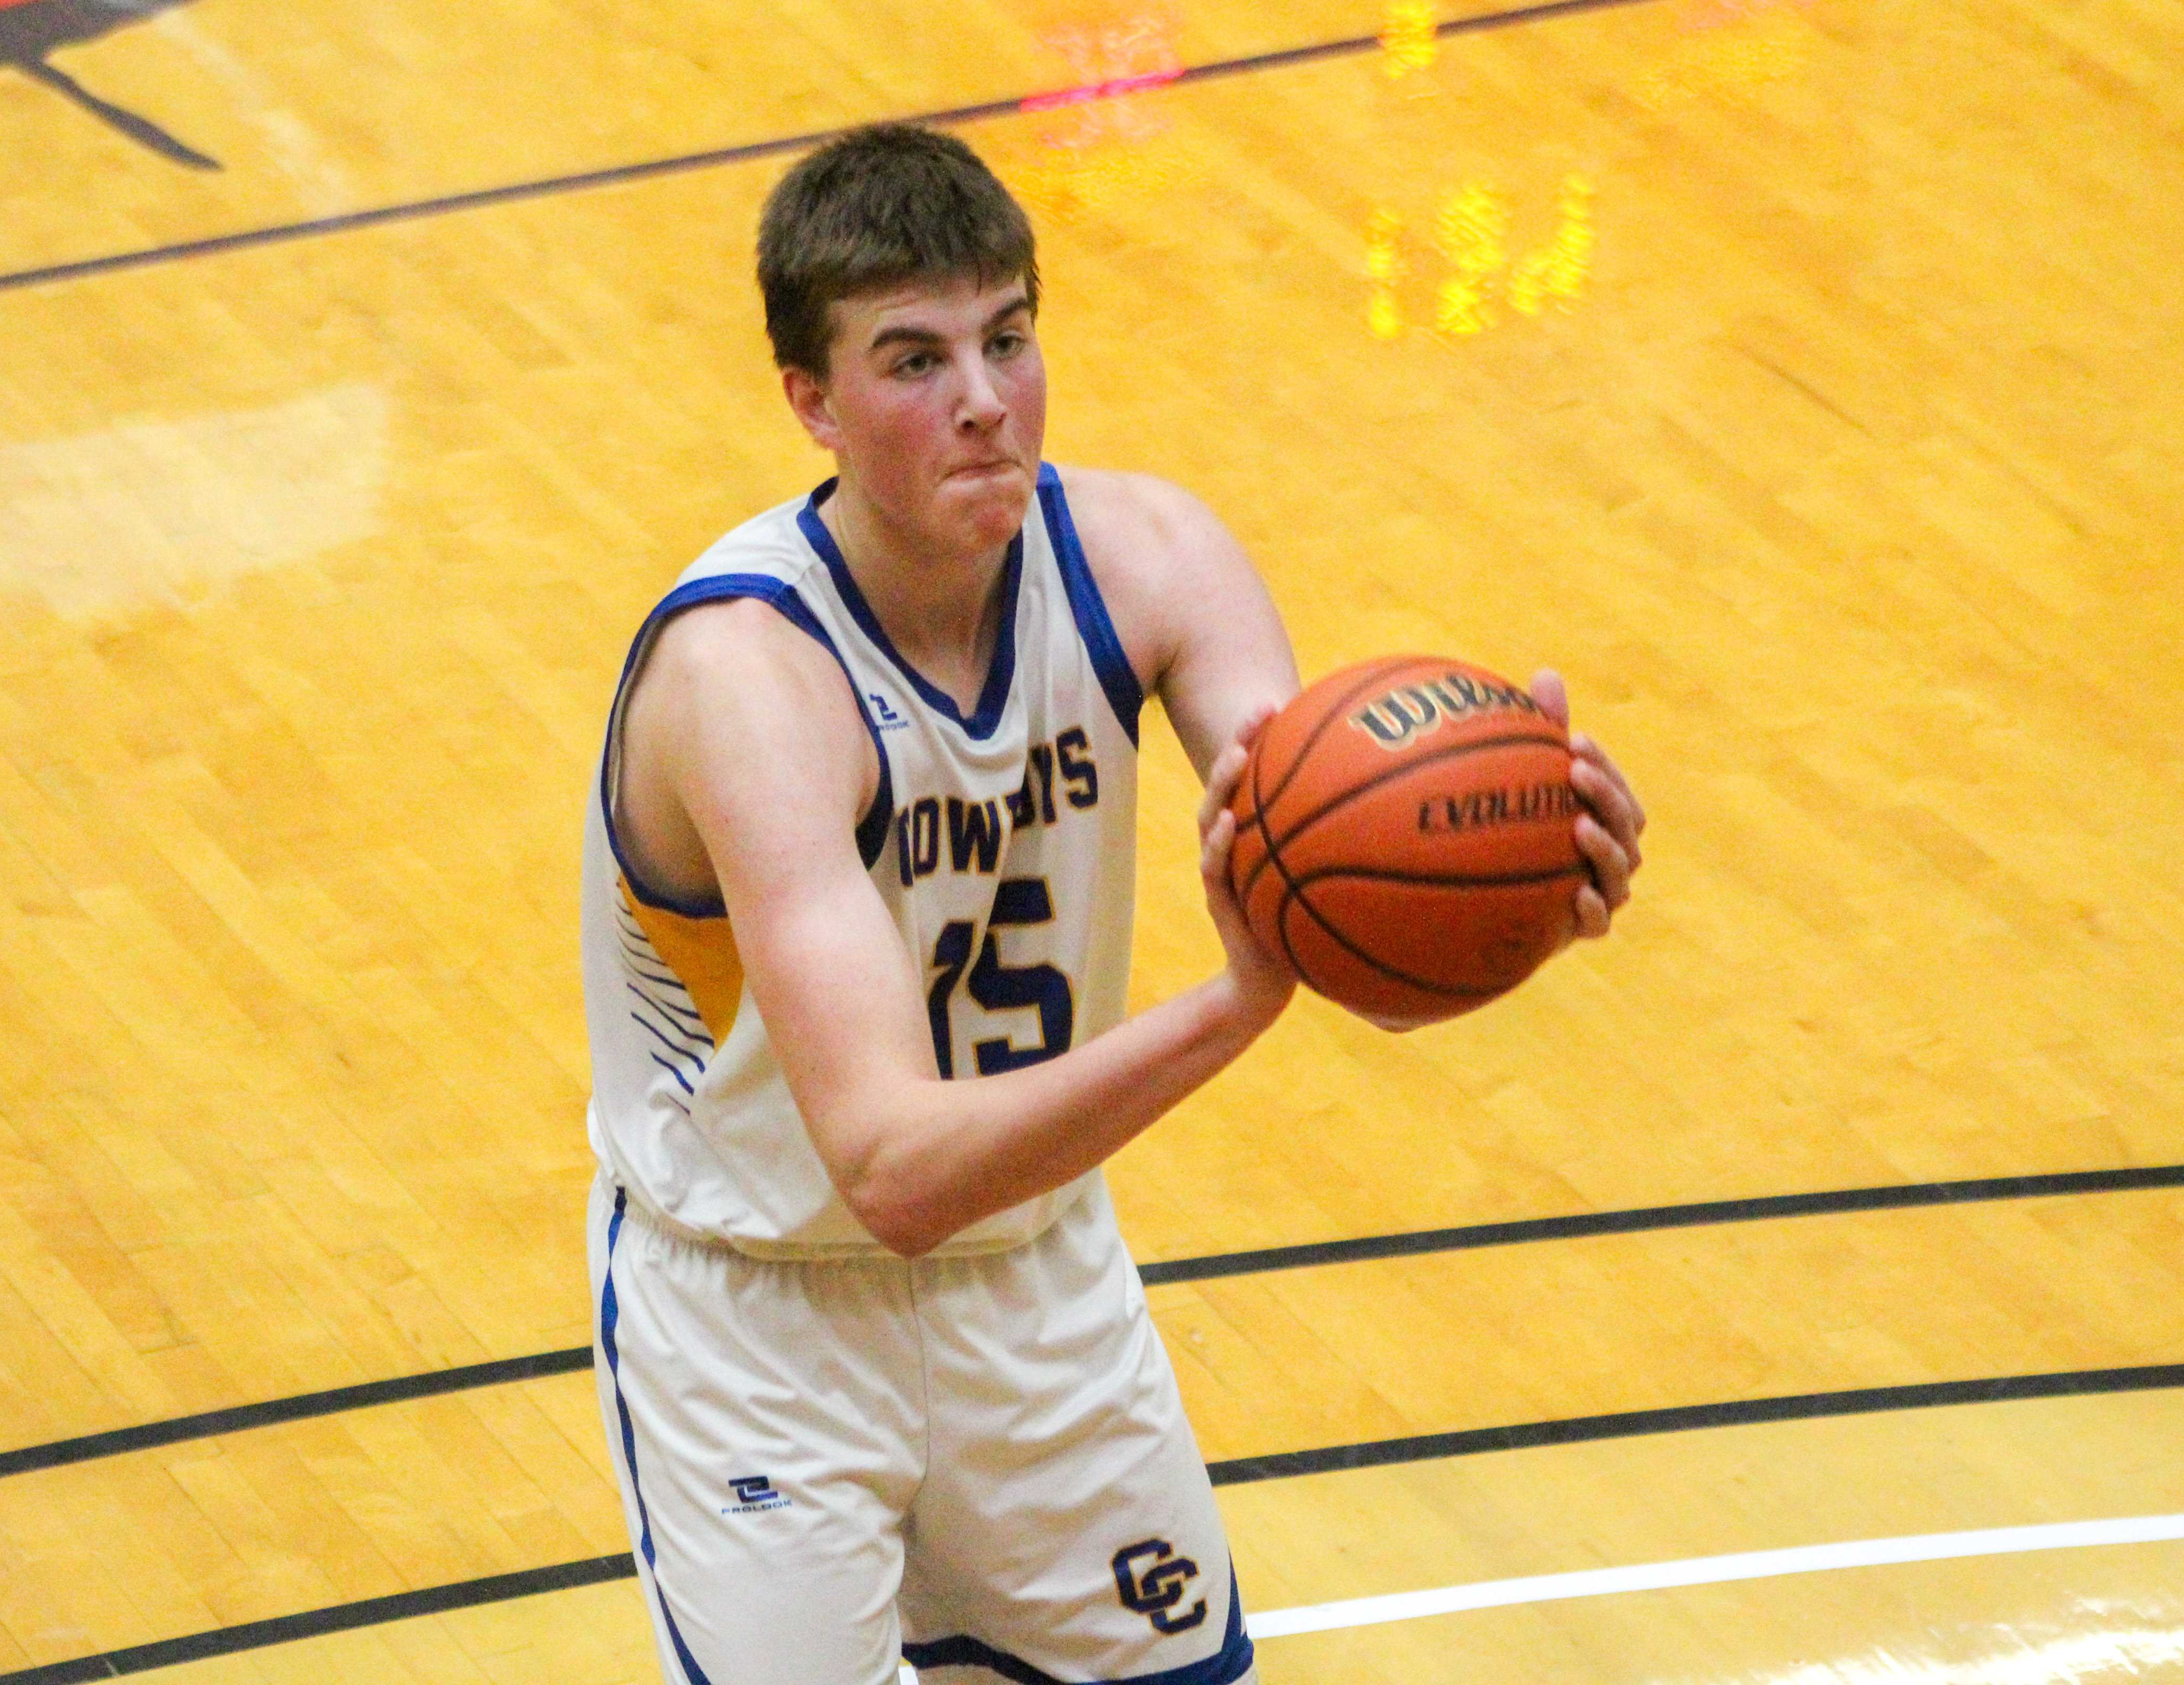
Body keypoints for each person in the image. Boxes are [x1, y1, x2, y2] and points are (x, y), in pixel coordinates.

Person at [580, 123, 1646, 1685]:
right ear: (807, 402)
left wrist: (1529, 866)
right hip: (764, 1320)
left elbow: (1330, 895)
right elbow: (890, 1172)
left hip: (1034, 1277)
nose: (985, 401)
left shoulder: (1152, 558)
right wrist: (1229, 1006)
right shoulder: (748, 683)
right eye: (914, 359)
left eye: (1009, 339)